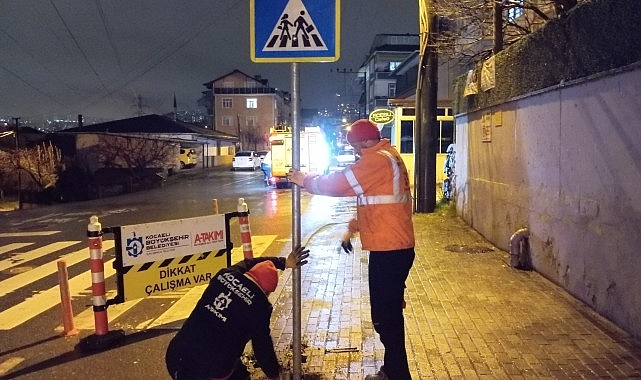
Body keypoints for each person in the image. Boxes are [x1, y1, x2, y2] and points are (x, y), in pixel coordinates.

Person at [288, 119, 415, 380]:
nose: (356, 152)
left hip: (389, 250)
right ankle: (393, 370)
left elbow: (339, 183)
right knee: (388, 314)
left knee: (384, 317)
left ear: (363, 142)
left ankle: (397, 374)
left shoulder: (376, 159)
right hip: (394, 246)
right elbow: (379, 201)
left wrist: (305, 180)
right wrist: (354, 227)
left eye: (356, 146)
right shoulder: (389, 156)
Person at [165, 246, 310, 380]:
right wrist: (275, 375)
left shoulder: (225, 274)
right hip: (205, 372)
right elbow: (262, 348)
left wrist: (283, 262)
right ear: (266, 291)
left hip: (176, 355)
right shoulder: (260, 306)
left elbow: (249, 262)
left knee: (238, 370)